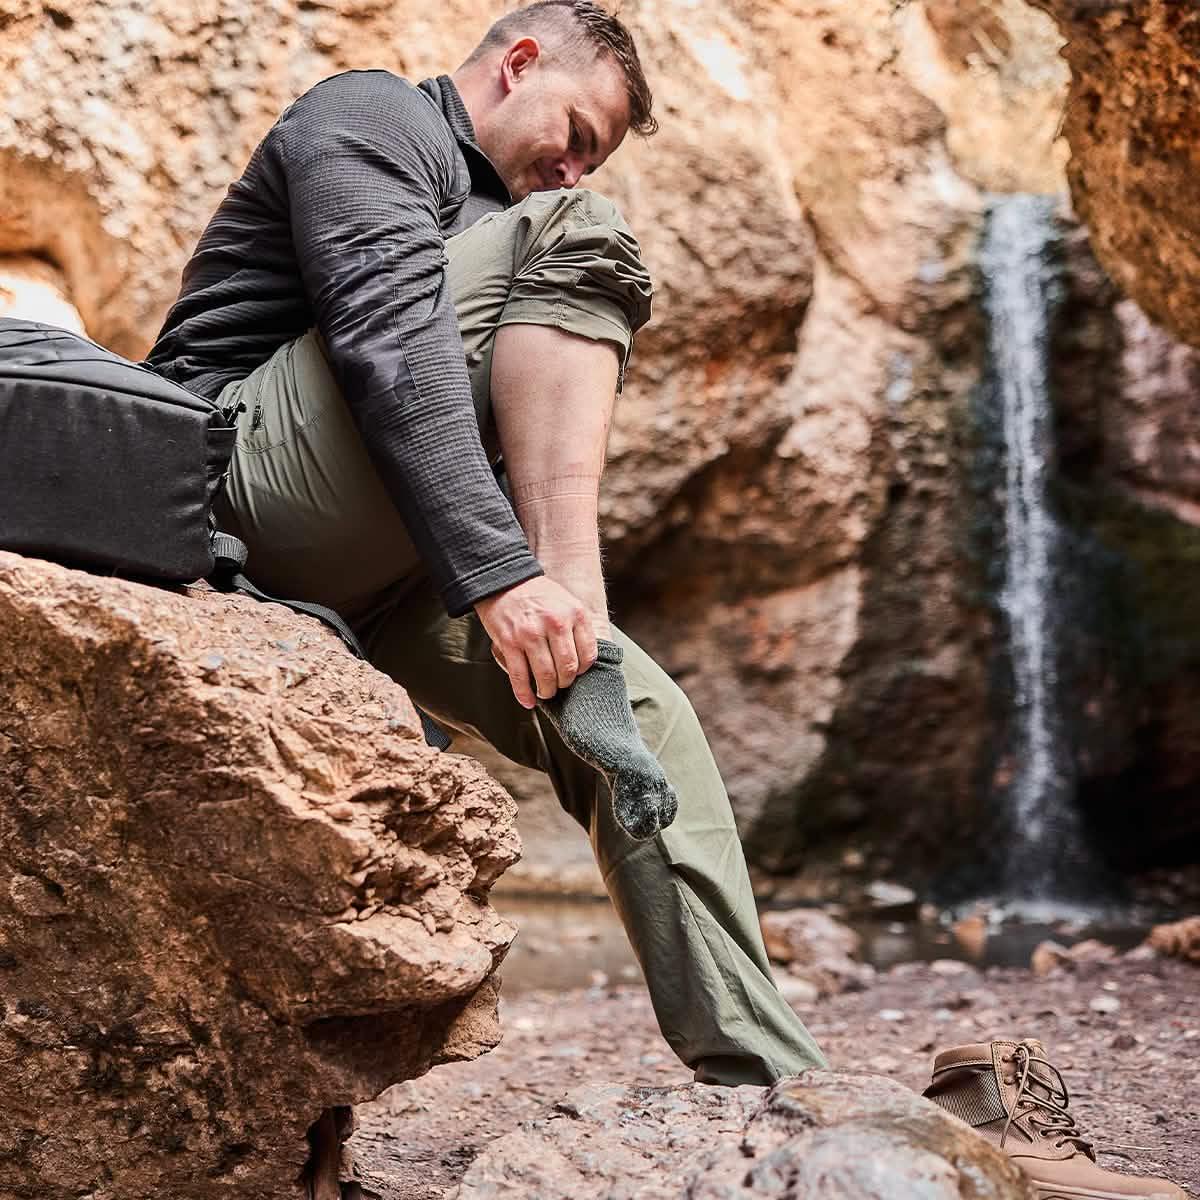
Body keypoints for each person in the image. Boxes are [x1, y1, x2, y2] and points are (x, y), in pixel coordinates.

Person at [146, 6, 1187, 1200]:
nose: (577, 163)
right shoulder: (371, 115)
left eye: (597, 154)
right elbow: (388, 338)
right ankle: (565, 594)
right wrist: (514, 575)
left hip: (382, 567)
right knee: (575, 237)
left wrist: (517, 595)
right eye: (580, 129)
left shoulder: (500, 223)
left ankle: (790, 1101)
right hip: (233, 485)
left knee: (647, 721)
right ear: (520, 61)